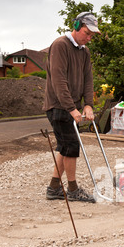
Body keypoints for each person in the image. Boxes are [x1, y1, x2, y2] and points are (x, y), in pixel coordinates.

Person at [43, 12, 101, 202]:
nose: (89, 38)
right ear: (76, 27)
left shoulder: (84, 51)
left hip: (72, 106)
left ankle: (53, 189)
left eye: (92, 35)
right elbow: (58, 81)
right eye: (87, 33)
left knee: (65, 146)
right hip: (59, 107)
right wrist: (71, 108)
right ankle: (73, 190)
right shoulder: (60, 46)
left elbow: (88, 79)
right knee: (71, 146)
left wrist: (88, 104)